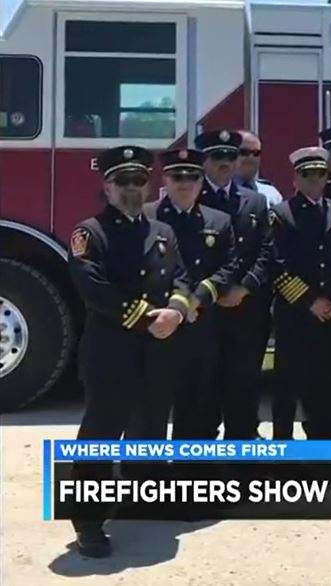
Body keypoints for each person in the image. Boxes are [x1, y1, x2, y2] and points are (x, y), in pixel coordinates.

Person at [67, 145, 190, 557]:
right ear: (108, 185)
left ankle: (142, 498)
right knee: (101, 437)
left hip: (157, 353)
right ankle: (87, 521)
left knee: (151, 430)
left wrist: (176, 309)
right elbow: (92, 287)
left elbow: (182, 277)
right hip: (111, 354)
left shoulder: (162, 232)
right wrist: (147, 318)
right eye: (123, 181)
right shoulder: (90, 232)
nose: (133, 188)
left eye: (139, 180)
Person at [142, 148, 239, 439]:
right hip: (158, 322)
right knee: (153, 401)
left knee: (198, 400)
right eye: (177, 176)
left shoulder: (218, 221)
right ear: (165, 179)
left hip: (201, 321)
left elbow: (229, 266)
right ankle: (149, 470)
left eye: (192, 177)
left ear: (201, 181)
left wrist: (198, 298)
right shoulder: (147, 216)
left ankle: (191, 467)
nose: (185, 183)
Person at [195, 129, 275, 440]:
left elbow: (267, 251)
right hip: (206, 311)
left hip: (247, 309)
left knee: (244, 385)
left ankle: (242, 456)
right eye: (217, 157)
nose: (226, 163)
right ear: (204, 161)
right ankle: (202, 460)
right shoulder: (193, 198)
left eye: (232, 156)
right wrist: (214, 292)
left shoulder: (255, 201)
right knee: (204, 387)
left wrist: (245, 287)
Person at [269, 147, 331, 440]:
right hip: (295, 315)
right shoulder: (281, 214)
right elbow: (277, 266)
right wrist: (309, 301)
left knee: (326, 386)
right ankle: (282, 451)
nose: (315, 180)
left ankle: (321, 450)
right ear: (295, 178)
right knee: (288, 387)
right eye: (308, 174)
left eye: (320, 173)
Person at [235, 129, 284, 206]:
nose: (251, 157)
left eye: (256, 153)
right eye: (244, 152)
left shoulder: (271, 193)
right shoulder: (222, 191)